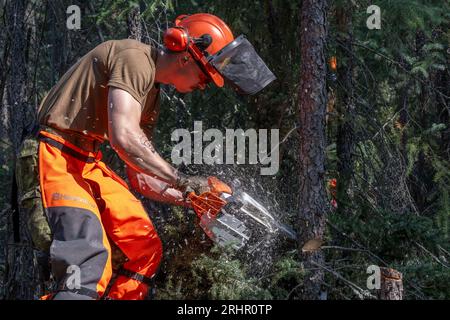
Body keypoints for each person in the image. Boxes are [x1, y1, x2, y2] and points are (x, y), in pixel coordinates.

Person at [17, 13, 275, 300]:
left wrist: (195, 198)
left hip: (87, 162)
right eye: (204, 75)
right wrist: (182, 179)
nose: (204, 85)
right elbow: (124, 137)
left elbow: (140, 176)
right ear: (185, 56)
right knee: (87, 255)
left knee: (142, 246)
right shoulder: (134, 58)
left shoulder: (151, 95)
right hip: (54, 154)